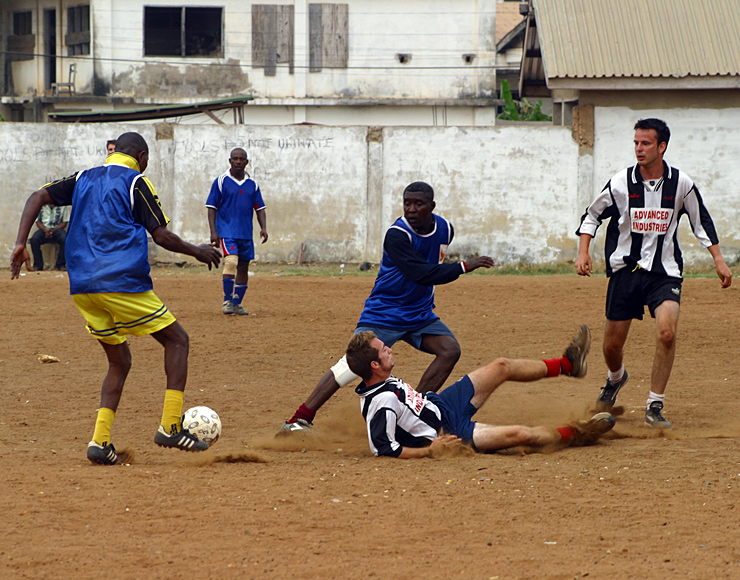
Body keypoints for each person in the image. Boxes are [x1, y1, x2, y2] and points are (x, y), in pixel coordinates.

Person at [10, 132, 222, 465]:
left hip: (82, 286)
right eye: (146, 158)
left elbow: (38, 195)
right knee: (177, 341)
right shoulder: (137, 182)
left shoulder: (83, 177)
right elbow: (161, 234)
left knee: (119, 361)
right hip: (120, 281)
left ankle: (100, 442)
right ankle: (169, 426)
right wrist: (197, 251)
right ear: (140, 155)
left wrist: (20, 242)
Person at [281, 181, 495, 433]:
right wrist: (463, 267)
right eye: (407, 203)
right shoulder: (397, 234)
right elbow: (419, 273)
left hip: (419, 313)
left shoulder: (446, 229)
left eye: (418, 204)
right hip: (384, 312)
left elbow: (432, 265)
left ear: (432, 206)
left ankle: (414, 412)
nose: (412, 209)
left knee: (449, 351)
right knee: (352, 364)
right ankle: (298, 419)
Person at [575, 118, 732, 429]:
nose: (639, 149)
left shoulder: (681, 184)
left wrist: (718, 259)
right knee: (611, 346)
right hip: (626, 272)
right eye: (636, 143)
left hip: (665, 273)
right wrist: (583, 252)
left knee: (667, 332)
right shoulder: (621, 182)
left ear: (662, 147)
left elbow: (701, 221)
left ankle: (654, 404)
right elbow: (592, 215)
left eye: (645, 143)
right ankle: (615, 378)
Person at [345, 325, 615, 458]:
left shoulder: (382, 383)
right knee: (521, 434)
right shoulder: (381, 401)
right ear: (374, 365)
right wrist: (429, 450)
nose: (389, 348)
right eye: (384, 349)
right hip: (450, 432)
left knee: (501, 366)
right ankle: (580, 433)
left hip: (441, 404)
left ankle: (568, 364)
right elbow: (383, 448)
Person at [206, 148, 267, 315]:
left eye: (241, 159)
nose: (238, 161)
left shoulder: (252, 184)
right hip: (226, 231)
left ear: (246, 162)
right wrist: (213, 231)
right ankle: (227, 301)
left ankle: (237, 303)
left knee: (243, 266)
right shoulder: (221, 181)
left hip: (245, 232)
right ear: (230, 161)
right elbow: (211, 207)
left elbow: (260, 208)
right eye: (235, 159)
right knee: (231, 261)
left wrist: (263, 228)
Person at [28, 203, 71, 271]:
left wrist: (54, 230)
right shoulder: (41, 205)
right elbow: (38, 221)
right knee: (34, 239)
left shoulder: (63, 205)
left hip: (57, 229)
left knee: (65, 239)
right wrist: (45, 230)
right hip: (44, 229)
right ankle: (38, 265)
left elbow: (65, 222)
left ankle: (60, 264)